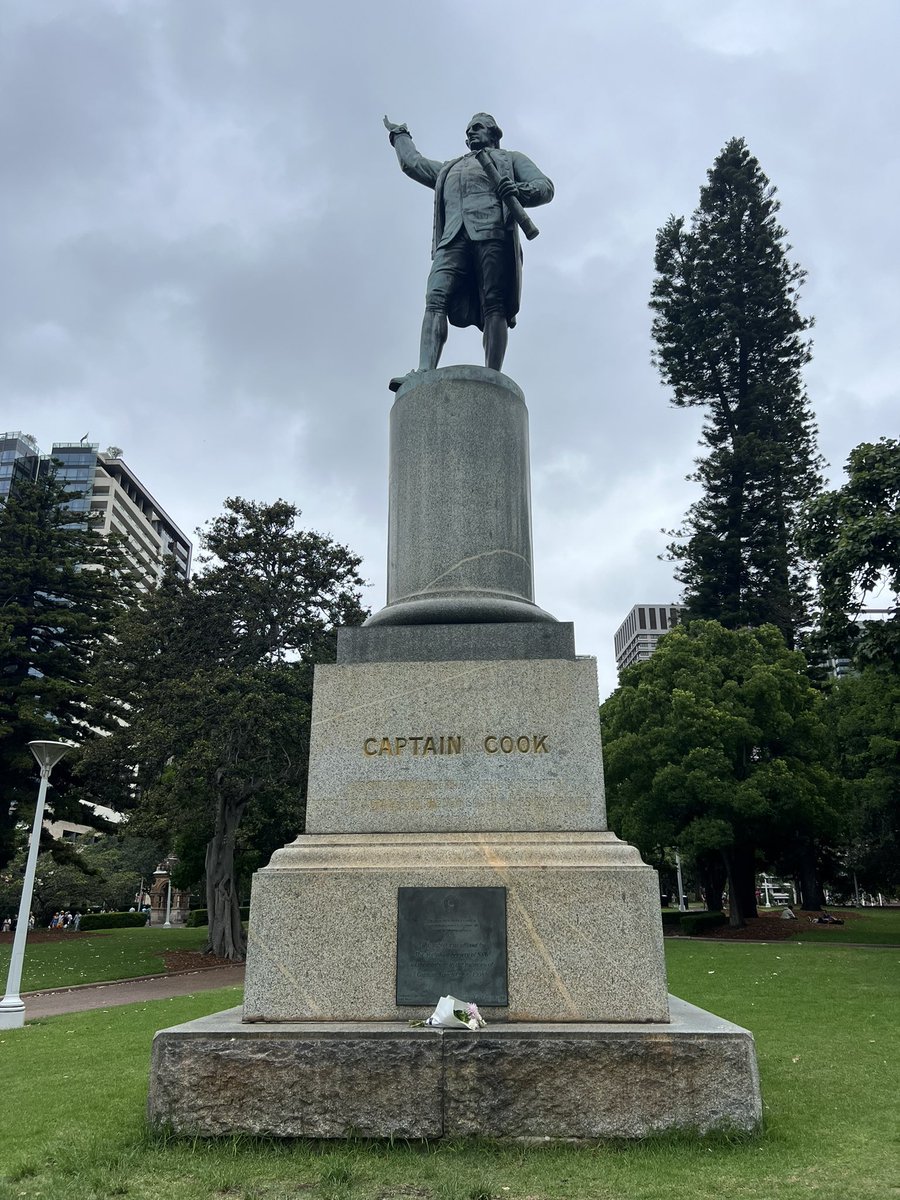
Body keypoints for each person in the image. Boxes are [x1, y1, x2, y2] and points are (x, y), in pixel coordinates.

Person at [383, 112, 554, 389]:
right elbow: (413, 165)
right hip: (452, 239)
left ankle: (493, 375)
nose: (471, 133)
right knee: (435, 296)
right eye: (468, 130)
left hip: (493, 233)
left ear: (494, 133)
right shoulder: (449, 168)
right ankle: (424, 370)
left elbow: (544, 187)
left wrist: (519, 189)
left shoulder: (510, 160)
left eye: (477, 128)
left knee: (494, 303)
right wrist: (399, 135)